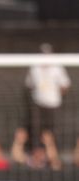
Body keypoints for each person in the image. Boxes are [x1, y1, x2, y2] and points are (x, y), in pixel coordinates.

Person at [24, 43, 70, 171]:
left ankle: (52, 155)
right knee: (35, 129)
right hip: (38, 102)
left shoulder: (57, 67)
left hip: (53, 104)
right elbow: (29, 84)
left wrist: (55, 95)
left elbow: (65, 84)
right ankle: (36, 154)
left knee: (51, 131)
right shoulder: (34, 67)